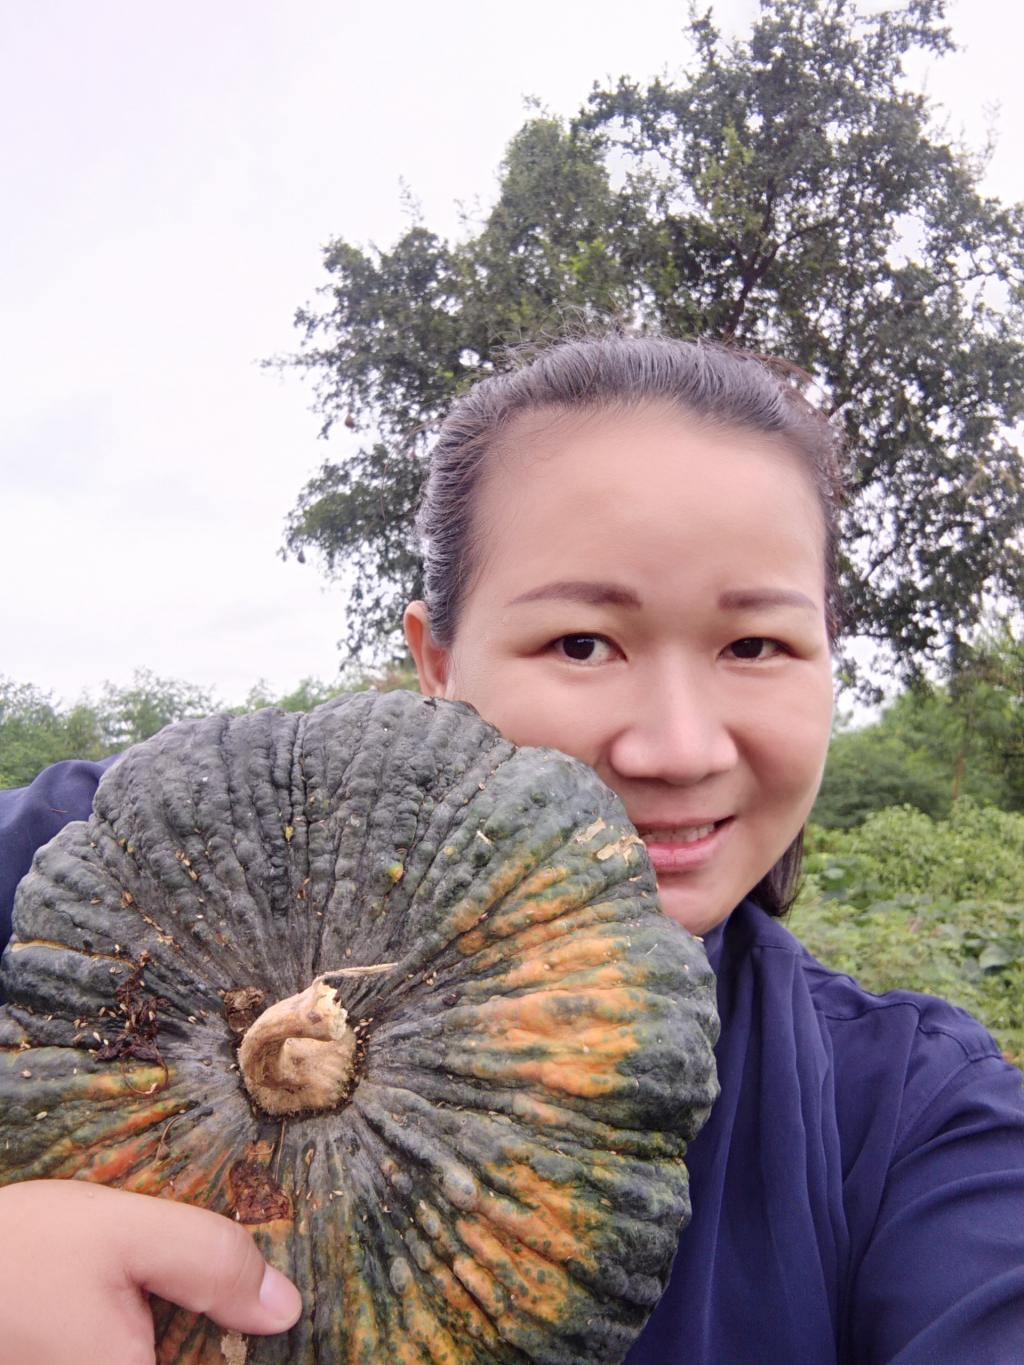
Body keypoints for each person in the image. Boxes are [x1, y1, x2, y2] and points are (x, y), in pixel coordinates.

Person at [1, 334, 1022, 1363]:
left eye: (755, 645)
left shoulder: (915, 1114)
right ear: (436, 663)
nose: (679, 748)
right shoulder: (144, 860)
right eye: (582, 643)